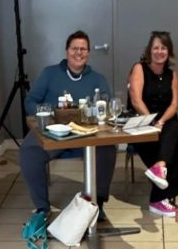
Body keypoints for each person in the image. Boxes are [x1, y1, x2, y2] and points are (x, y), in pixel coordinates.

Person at [20, 30, 115, 219]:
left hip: (87, 135)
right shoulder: (49, 73)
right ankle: (42, 207)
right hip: (53, 133)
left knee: (107, 148)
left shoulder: (98, 79)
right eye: (74, 48)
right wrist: (48, 114)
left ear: (88, 53)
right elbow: (30, 102)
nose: (78, 53)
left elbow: (108, 107)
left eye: (83, 49)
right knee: (29, 152)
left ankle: (97, 204)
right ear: (66, 51)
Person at [128, 31, 178, 217]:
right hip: (141, 125)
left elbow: (174, 105)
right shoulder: (139, 68)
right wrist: (152, 123)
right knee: (175, 136)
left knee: (176, 128)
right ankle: (160, 198)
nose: (159, 51)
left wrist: (161, 122)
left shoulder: (172, 75)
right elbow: (136, 100)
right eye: (156, 48)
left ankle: (159, 173)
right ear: (149, 50)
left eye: (163, 48)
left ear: (169, 52)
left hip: (164, 125)